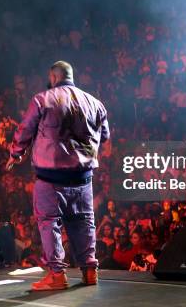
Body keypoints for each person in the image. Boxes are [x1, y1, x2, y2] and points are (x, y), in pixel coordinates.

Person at [7, 61, 110, 290]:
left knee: (49, 222)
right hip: (83, 177)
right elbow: (104, 135)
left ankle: (57, 275)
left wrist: (16, 153)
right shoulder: (95, 103)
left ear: (53, 77)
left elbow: (25, 130)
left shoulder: (42, 99)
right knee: (84, 222)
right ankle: (89, 271)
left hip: (51, 178)